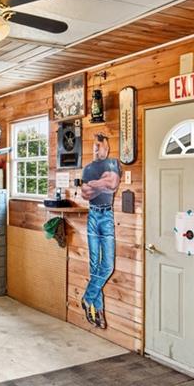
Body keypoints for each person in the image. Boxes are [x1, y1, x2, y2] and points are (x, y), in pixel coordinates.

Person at [79, 133, 120, 329]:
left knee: (107, 265)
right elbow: (85, 194)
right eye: (93, 146)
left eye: (99, 146)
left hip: (107, 217)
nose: (96, 149)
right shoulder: (88, 168)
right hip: (93, 215)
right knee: (94, 266)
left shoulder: (112, 163)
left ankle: (87, 298)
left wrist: (95, 185)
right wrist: (99, 184)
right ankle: (97, 313)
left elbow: (112, 184)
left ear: (107, 147)